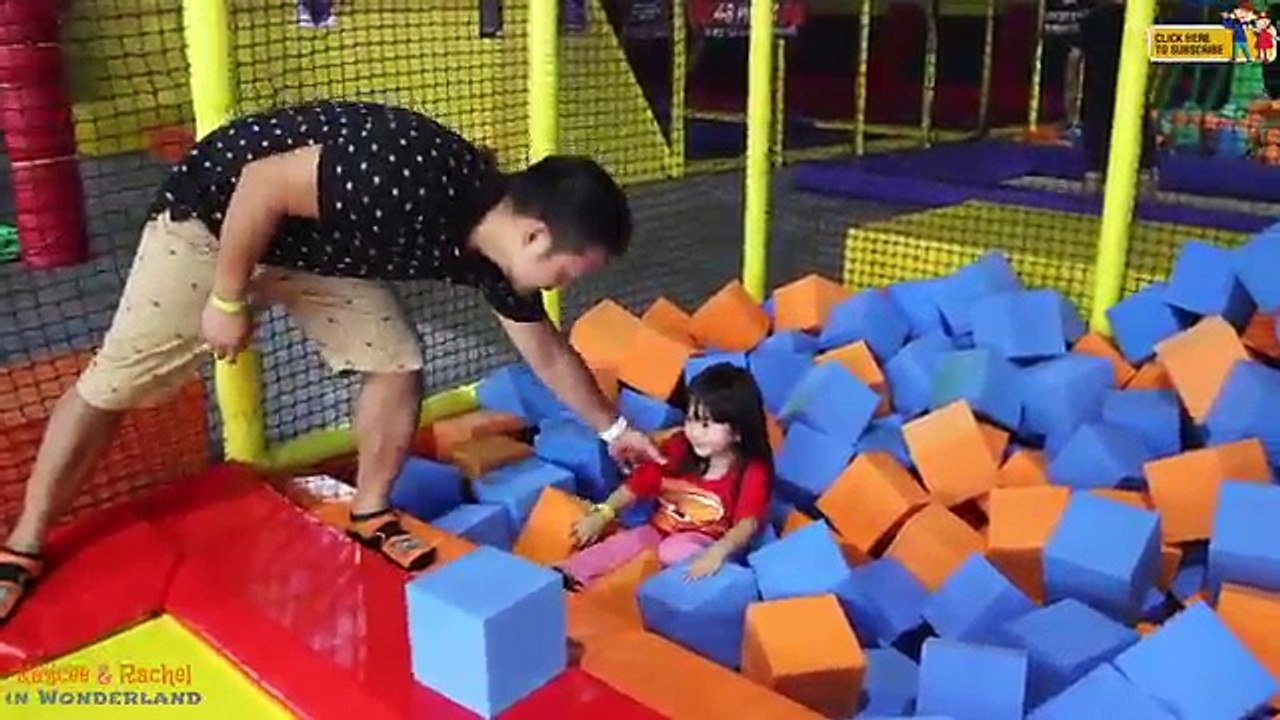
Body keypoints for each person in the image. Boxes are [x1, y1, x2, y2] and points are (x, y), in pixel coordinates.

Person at [0, 100, 663, 624]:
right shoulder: (410, 175)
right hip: (217, 222)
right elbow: (261, 183)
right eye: (566, 272)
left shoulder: (491, 255)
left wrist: (614, 431)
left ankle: (369, 511)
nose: (560, 286)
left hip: (313, 251)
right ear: (534, 234)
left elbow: (547, 352)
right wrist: (228, 298)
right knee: (114, 383)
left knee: (396, 360)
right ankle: (23, 543)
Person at [555, 364, 774, 589]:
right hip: (659, 531)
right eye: (690, 420)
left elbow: (747, 524)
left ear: (738, 431)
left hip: (705, 544)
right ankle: (569, 575)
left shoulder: (751, 471)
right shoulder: (679, 447)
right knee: (630, 542)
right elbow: (638, 484)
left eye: (706, 424)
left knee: (672, 551)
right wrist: (603, 513)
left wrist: (718, 552)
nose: (694, 432)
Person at [1079, 0, 1158, 193]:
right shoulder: (1143, 17)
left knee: (1099, 127)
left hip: (1100, 87)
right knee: (1137, 124)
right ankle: (1143, 175)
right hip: (1130, 85)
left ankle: (1095, 175)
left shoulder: (1094, 18)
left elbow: (1077, 58)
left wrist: (1073, 92)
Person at [1043, 0, 1092, 132]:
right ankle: (1071, 119)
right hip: (1058, 48)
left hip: (1080, 47)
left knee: (1075, 80)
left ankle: (1075, 119)